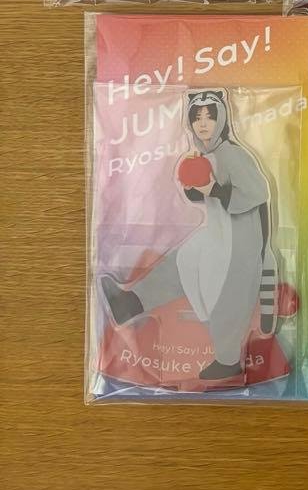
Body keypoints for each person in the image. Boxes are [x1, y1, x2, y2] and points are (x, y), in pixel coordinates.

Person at [100, 90, 278, 383]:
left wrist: (214, 190)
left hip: (241, 243)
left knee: (226, 292)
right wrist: (196, 186)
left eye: (210, 116)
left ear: (222, 119)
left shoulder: (233, 154)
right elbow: (204, 196)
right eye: (197, 117)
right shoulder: (208, 157)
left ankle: (228, 361)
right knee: (184, 258)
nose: (203, 123)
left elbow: (257, 192)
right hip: (221, 234)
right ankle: (130, 302)